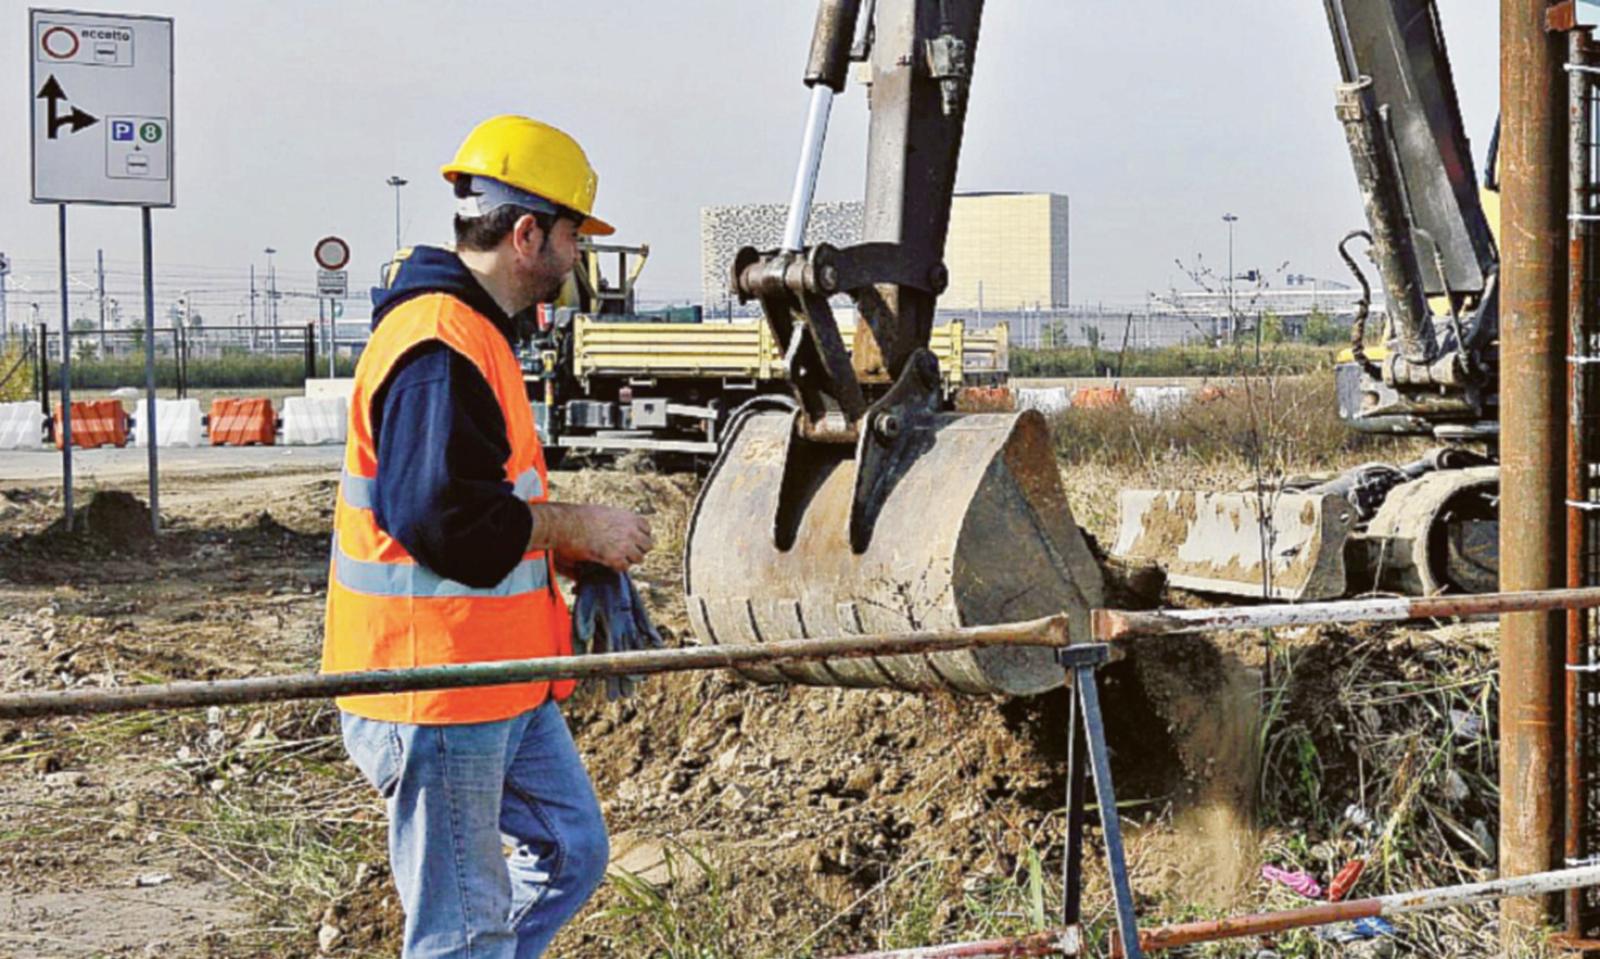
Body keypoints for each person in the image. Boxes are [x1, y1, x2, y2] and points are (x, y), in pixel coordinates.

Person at [321, 115, 653, 958]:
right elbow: (445, 521)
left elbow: (476, 503)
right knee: (462, 931)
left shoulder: (475, 333)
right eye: (575, 235)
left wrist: (559, 546)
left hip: (497, 680)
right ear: (528, 232)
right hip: (435, 689)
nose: (579, 257)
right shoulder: (439, 344)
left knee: (572, 852)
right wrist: (576, 525)